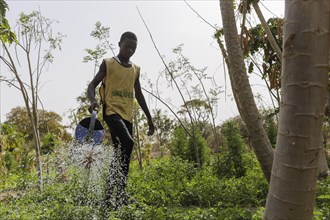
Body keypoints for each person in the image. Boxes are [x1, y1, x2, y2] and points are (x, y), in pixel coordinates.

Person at [87, 31, 155, 208]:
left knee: (120, 155)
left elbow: (138, 94)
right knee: (128, 142)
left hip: (127, 115)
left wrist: (149, 118)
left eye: (134, 48)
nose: (130, 50)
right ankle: (121, 194)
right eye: (127, 46)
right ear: (119, 44)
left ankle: (109, 197)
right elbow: (92, 85)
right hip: (111, 111)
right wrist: (93, 101)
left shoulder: (135, 69)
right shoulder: (108, 64)